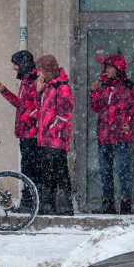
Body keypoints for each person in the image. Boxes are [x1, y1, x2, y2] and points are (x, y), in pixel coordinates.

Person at [90, 52, 134, 214]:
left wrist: (132, 123)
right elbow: (95, 108)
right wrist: (93, 92)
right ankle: (108, 203)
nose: (107, 70)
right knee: (105, 170)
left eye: (111, 67)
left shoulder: (130, 87)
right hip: (103, 136)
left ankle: (125, 203)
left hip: (120, 137)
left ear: (118, 68)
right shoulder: (103, 86)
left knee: (123, 170)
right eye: (106, 67)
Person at [0, 50, 41, 210]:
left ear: (23, 64)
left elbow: (38, 108)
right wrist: (3, 91)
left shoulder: (35, 81)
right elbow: (21, 105)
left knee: (31, 168)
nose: (14, 67)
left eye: (15, 64)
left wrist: (28, 118)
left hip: (32, 134)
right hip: (25, 133)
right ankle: (28, 200)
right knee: (27, 167)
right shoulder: (25, 81)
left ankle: (30, 201)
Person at [34, 54, 74, 216]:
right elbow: (40, 110)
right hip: (45, 139)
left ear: (48, 70)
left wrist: (51, 129)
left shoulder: (61, 87)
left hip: (56, 139)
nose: (38, 73)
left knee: (60, 172)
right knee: (48, 173)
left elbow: (65, 114)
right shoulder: (47, 87)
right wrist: (38, 92)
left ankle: (65, 206)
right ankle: (48, 205)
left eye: (40, 70)